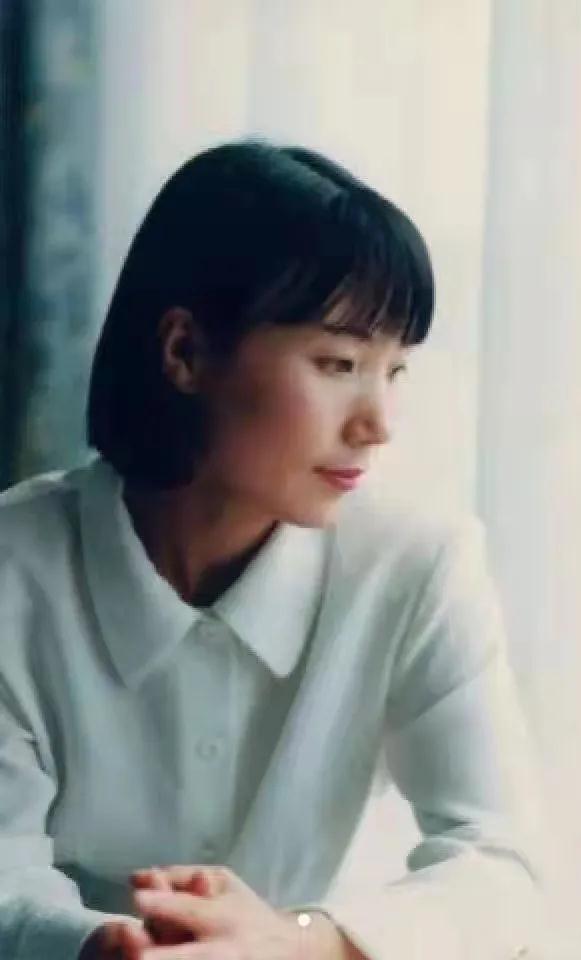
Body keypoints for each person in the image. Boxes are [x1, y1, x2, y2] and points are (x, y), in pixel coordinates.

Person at [0, 141, 546, 960]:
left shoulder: (417, 564)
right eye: (340, 363)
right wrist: (112, 947)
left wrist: (300, 942)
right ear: (185, 352)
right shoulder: (15, 566)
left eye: (395, 369)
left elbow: (502, 867)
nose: (378, 423)